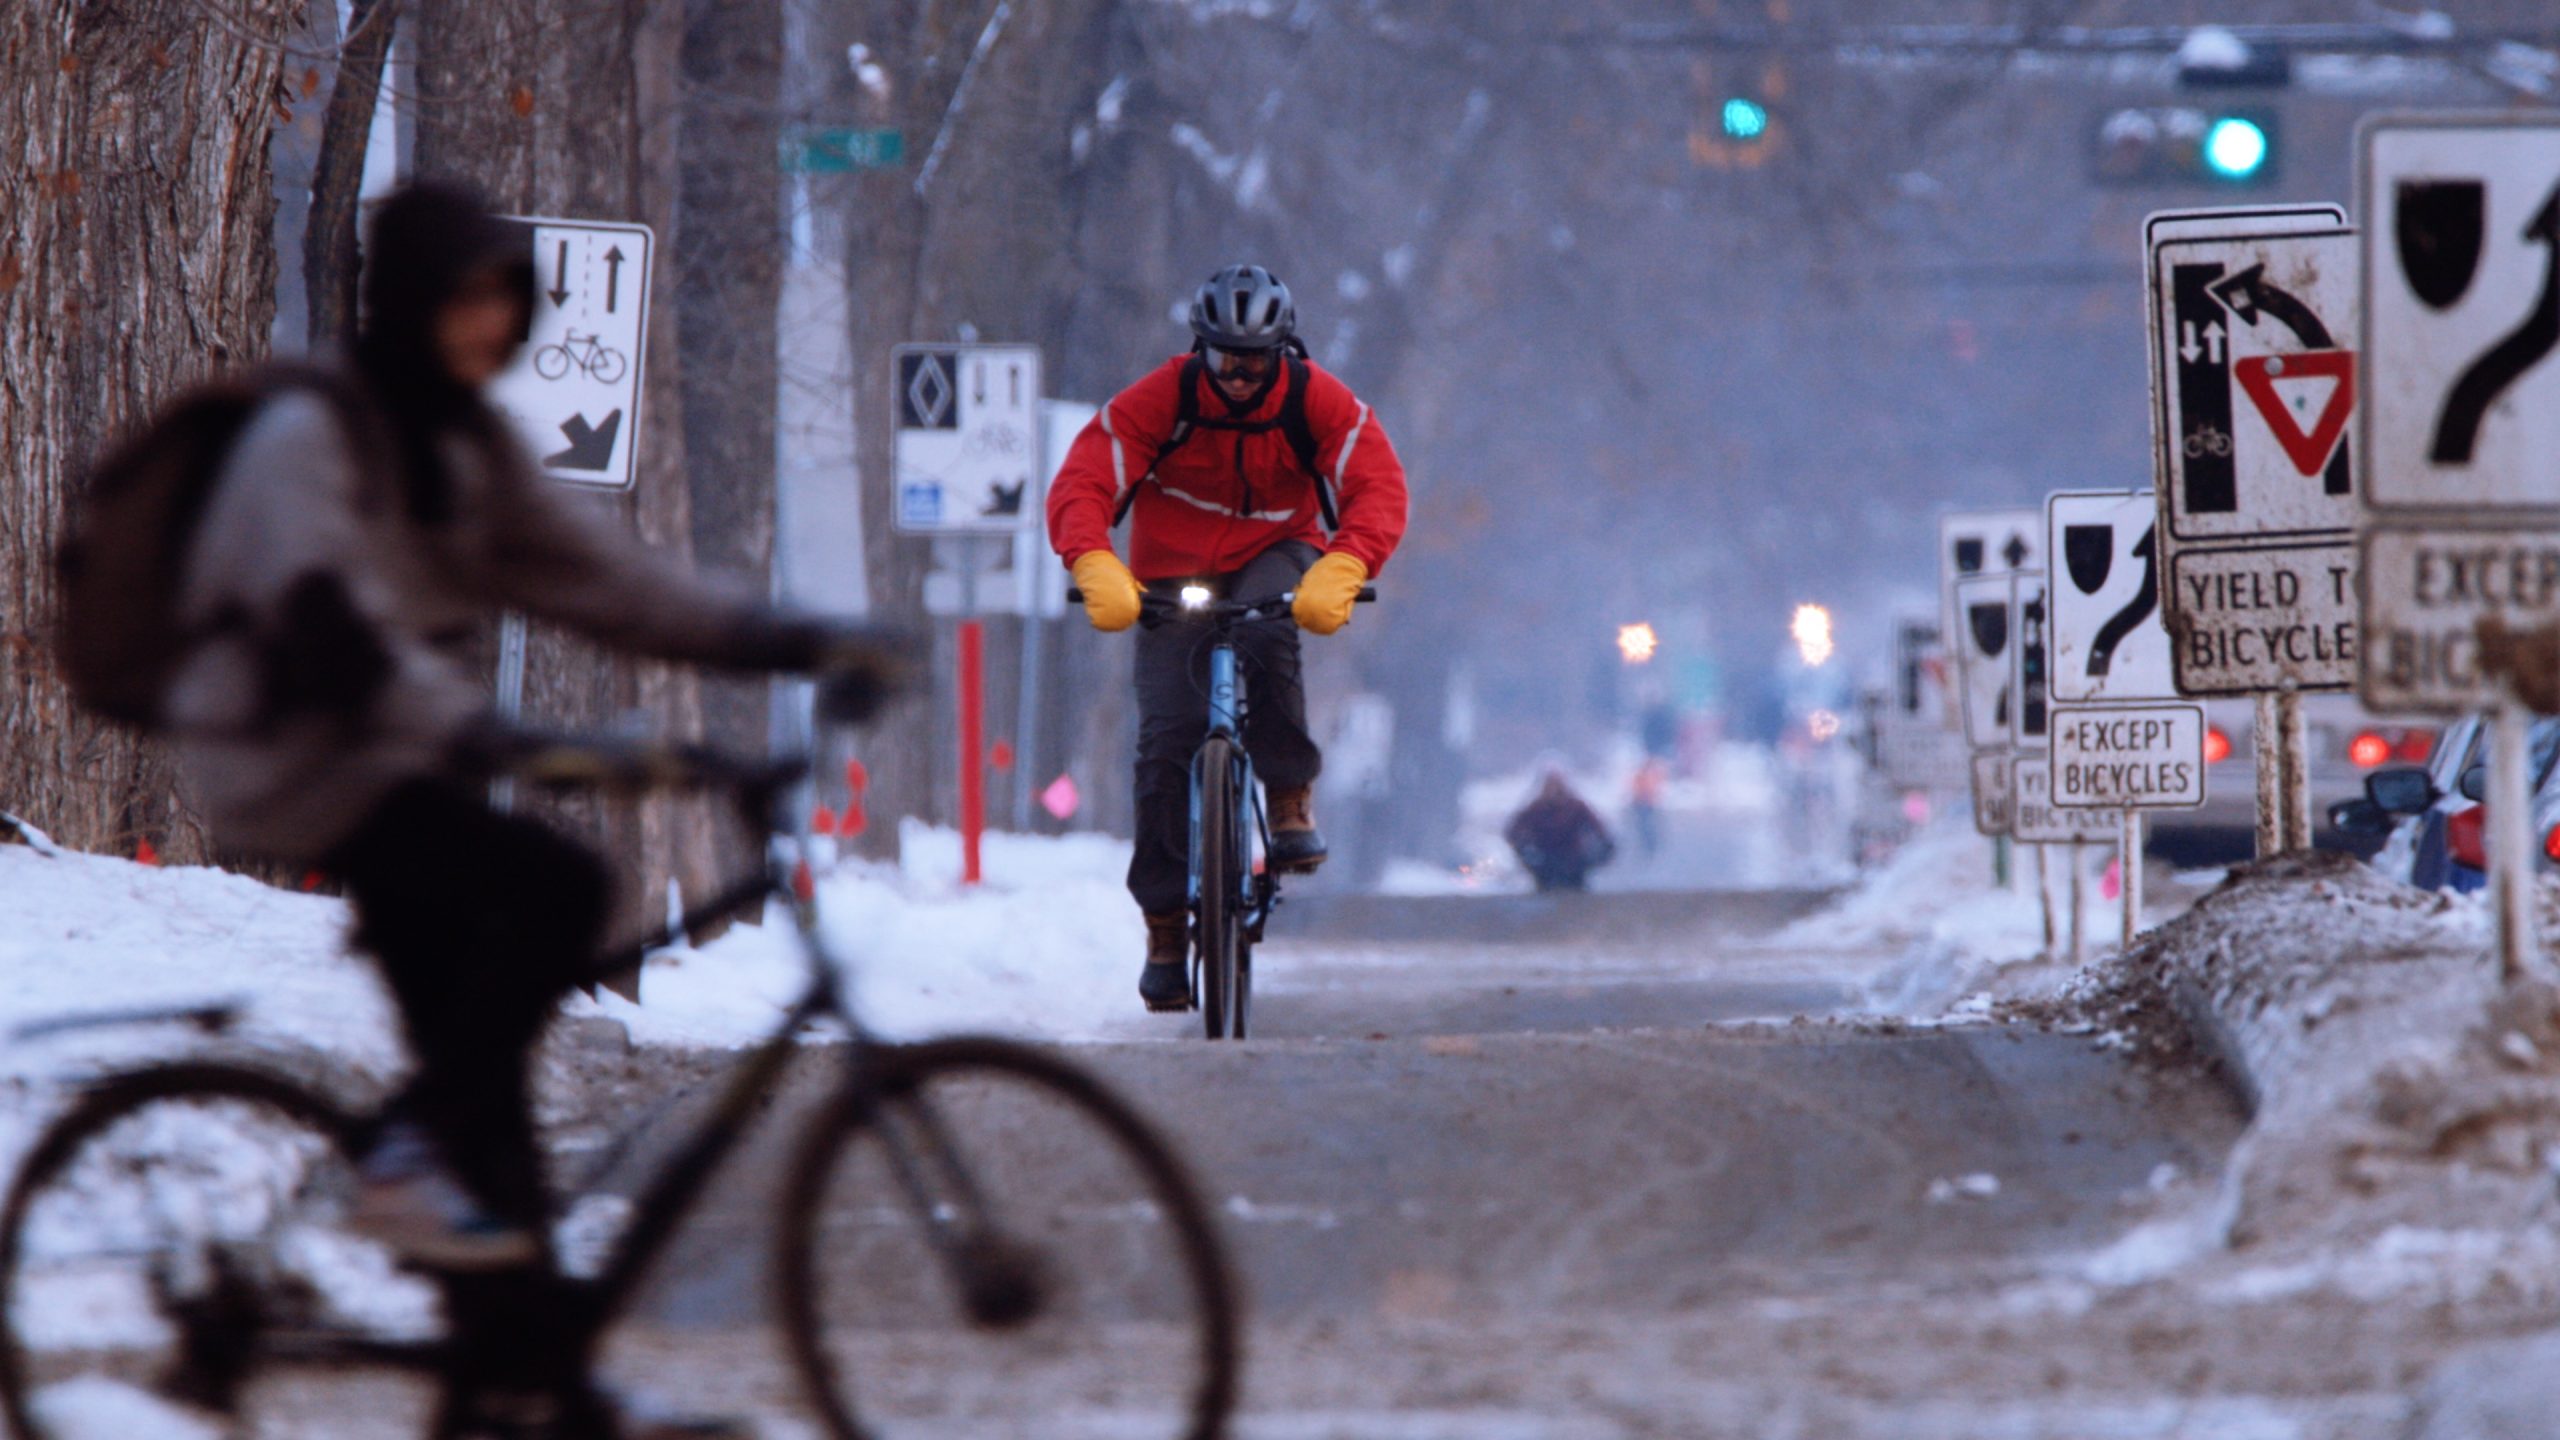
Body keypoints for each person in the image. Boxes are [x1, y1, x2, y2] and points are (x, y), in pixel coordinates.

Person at [159, 182, 902, 1435]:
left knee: (487, 1088)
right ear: (406, 305)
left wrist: (781, 637)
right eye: (464, 295)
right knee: (560, 892)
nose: (486, 320)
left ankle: (515, 1378)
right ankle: (408, 1169)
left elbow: (604, 580)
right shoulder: (313, 439)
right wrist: (486, 733)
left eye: (504, 297)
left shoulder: (466, 444)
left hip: (403, 760)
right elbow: (332, 626)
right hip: (300, 758)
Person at [1047, 264, 1408, 1011]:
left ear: (1282, 351)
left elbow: (1378, 484)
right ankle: (1164, 931)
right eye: (1223, 361)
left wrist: (1346, 561)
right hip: (1169, 567)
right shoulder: (1163, 398)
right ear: (1200, 348)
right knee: (1164, 744)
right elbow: (1085, 477)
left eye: (1254, 362)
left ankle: (1288, 797)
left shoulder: (1317, 402)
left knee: (1273, 635)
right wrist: (1092, 559)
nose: (1239, 378)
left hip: (1276, 550)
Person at [1506, 768, 1616, 892]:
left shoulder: (1576, 807)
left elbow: (1600, 831)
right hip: (1546, 866)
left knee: (1576, 898)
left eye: (1556, 786)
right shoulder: (1536, 809)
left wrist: (1593, 857)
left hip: (1573, 865)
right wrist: (1529, 856)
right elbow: (1513, 832)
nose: (1553, 791)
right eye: (1550, 786)